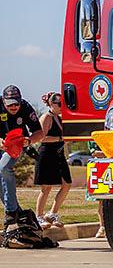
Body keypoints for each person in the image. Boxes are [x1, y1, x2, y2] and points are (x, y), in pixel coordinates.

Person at [1, 85, 44, 223]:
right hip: (1, 143)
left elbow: (39, 132)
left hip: (16, 145)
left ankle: (11, 212)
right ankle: (17, 212)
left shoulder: (25, 107)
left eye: (16, 103)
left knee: (4, 167)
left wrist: (29, 140)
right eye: (10, 104)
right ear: (3, 101)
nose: (14, 107)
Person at [34, 92, 73, 230]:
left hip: (58, 154)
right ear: (51, 104)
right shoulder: (46, 117)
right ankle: (39, 216)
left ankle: (52, 213)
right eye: (59, 104)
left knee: (66, 184)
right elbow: (41, 138)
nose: (62, 106)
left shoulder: (59, 118)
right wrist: (60, 139)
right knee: (46, 188)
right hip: (47, 154)